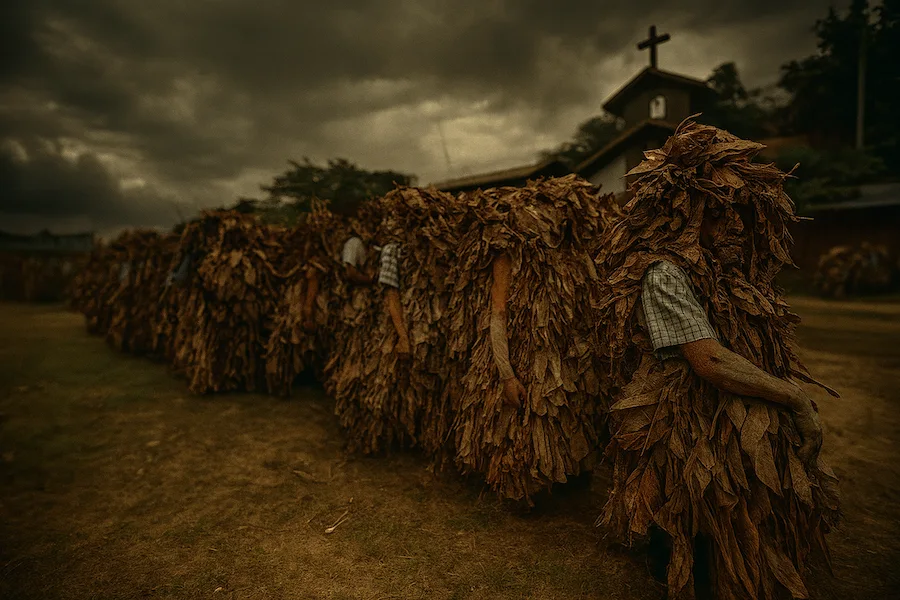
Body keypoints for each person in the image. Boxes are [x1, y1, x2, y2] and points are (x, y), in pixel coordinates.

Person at [594, 120, 840, 600]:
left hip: (729, 411)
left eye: (740, 214)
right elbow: (709, 360)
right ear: (685, 213)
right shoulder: (664, 274)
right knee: (689, 511)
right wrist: (793, 398)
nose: (734, 225)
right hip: (686, 420)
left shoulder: (725, 271)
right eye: (719, 213)